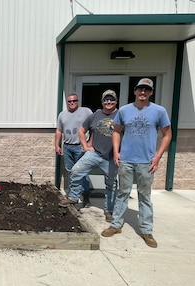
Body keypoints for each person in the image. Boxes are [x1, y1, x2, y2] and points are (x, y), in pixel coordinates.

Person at [101, 78, 172, 248]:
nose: (143, 92)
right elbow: (116, 132)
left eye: (146, 90)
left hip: (146, 162)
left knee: (144, 196)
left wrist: (158, 157)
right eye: (140, 89)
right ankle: (116, 225)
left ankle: (146, 230)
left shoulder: (159, 111)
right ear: (135, 91)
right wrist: (116, 152)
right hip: (126, 160)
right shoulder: (124, 111)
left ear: (151, 92)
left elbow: (167, 135)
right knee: (122, 193)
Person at [59, 90, 119, 222]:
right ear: (102, 102)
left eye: (111, 100)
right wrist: (86, 146)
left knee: (111, 185)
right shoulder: (95, 115)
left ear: (116, 101)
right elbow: (82, 130)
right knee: (75, 171)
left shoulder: (121, 115)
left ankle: (109, 210)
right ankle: (73, 198)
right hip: (94, 153)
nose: (109, 102)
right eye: (106, 100)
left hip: (110, 157)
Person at [55, 93, 93, 207]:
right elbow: (58, 131)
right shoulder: (62, 115)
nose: (72, 103)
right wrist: (57, 145)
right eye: (69, 101)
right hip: (67, 147)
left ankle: (86, 196)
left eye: (74, 101)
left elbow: (94, 127)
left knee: (82, 172)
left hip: (80, 147)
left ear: (78, 101)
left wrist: (89, 143)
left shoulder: (86, 112)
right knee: (71, 171)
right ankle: (73, 197)